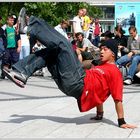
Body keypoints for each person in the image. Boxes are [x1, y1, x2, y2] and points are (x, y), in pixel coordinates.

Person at [3, 11, 136, 129]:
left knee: (64, 45)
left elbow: (117, 98)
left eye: (105, 50)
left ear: (113, 53)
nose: (101, 52)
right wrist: (99, 114)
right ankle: (21, 72)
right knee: (51, 52)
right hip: (70, 85)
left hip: (79, 83)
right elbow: (99, 93)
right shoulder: (102, 66)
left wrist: (121, 121)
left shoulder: (115, 72)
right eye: (100, 49)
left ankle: (29, 26)